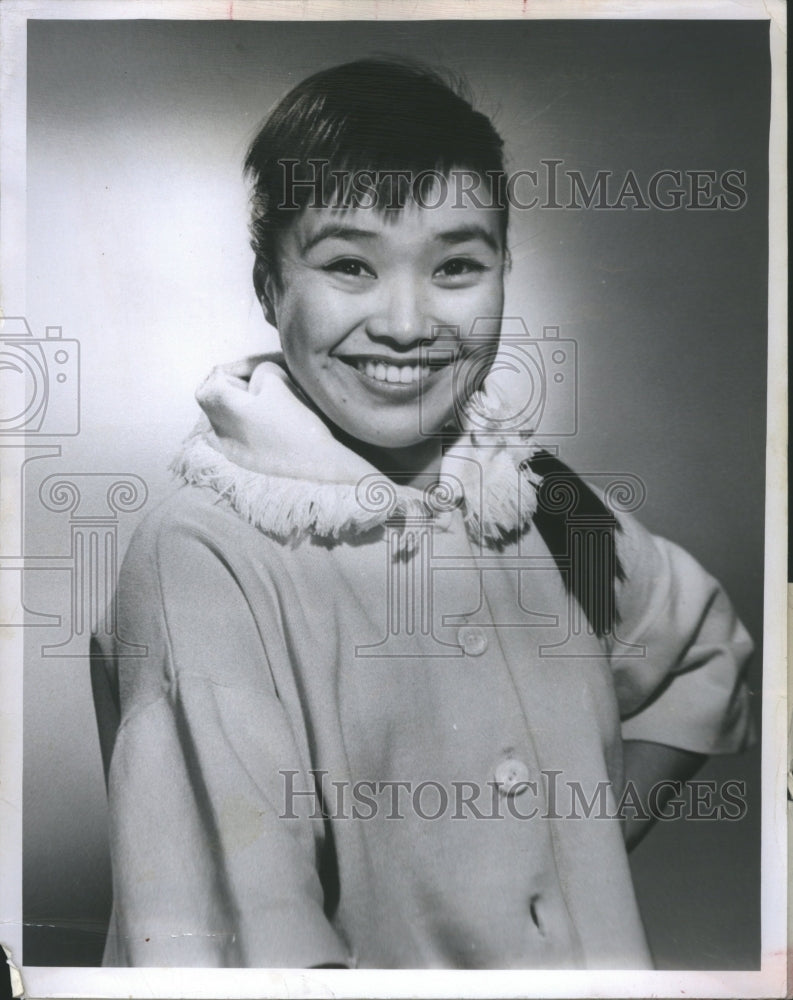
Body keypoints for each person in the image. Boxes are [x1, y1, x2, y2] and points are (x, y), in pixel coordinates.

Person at [90, 58, 755, 970]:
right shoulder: (202, 554)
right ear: (268, 284)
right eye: (349, 264)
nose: (406, 324)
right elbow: (241, 947)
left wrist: (567, 857)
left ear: (505, 273)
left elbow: (698, 649)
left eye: (455, 265)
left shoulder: (541, 497)